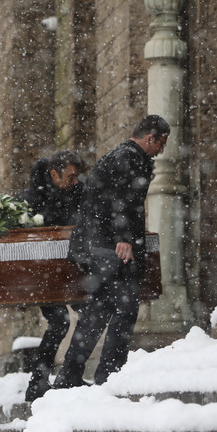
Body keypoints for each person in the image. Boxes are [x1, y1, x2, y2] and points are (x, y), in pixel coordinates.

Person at [52, 115, 170, 389]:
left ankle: (71, 374)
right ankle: (110, 376)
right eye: (160, 143)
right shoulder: (130, 158)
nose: (161, 151)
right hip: (110, 247)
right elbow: (122, 200)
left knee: (100, 309)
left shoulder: (120, 155)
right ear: (150, 138)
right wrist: (125, 238)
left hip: (99, 245)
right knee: (124, 309)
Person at [16, 150, 85, 402]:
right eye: (70, 176)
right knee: (60, 321)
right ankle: (38, 382)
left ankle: (70, 375)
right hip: (45, 275)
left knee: (89, 315)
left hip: (76, 268)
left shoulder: (79, 193)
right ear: (54, 174)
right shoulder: (30, 199)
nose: (75, 181)